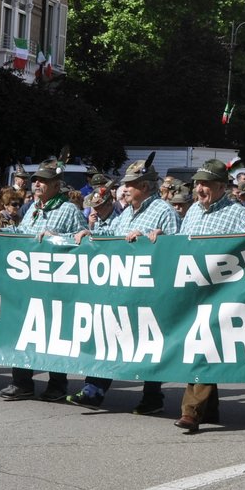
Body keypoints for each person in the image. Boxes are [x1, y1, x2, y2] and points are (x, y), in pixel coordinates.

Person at [67, 155, 178, 414]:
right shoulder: (127, 212)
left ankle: (152, 397)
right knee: (108, 335)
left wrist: (154, 240)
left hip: (150, 290)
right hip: (121, 289)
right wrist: (90, 233)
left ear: (146, 186)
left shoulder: (164, 210)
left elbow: (176, 248)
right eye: (126, 184)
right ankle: (94, 389)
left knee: (151, 343)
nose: (124, 188)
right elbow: (112, 235)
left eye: (131, 183)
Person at [0, 157, 85, 401]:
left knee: (55, 334)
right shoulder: (32, 208)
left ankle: (57, 384)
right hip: (28, 284)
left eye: (44, 180)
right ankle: (21, 382)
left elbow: (84, 240)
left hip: (56, 286)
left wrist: (58, 239)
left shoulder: (68, 210)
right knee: (23, 331)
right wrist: (2, 231)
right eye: (37, 180)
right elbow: (22, 235)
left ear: (56, 184)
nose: (38, 184)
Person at [175, 159, 245, 432]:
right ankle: (209, 409)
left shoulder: (236, 212)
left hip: (222, 292)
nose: (199, 188)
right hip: (194, 291)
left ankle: (191, 411)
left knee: (204, 345)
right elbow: (180, 245)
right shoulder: (192, 212)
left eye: (206, 184)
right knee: (200, 347)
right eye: (198, 183)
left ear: (222, 187)